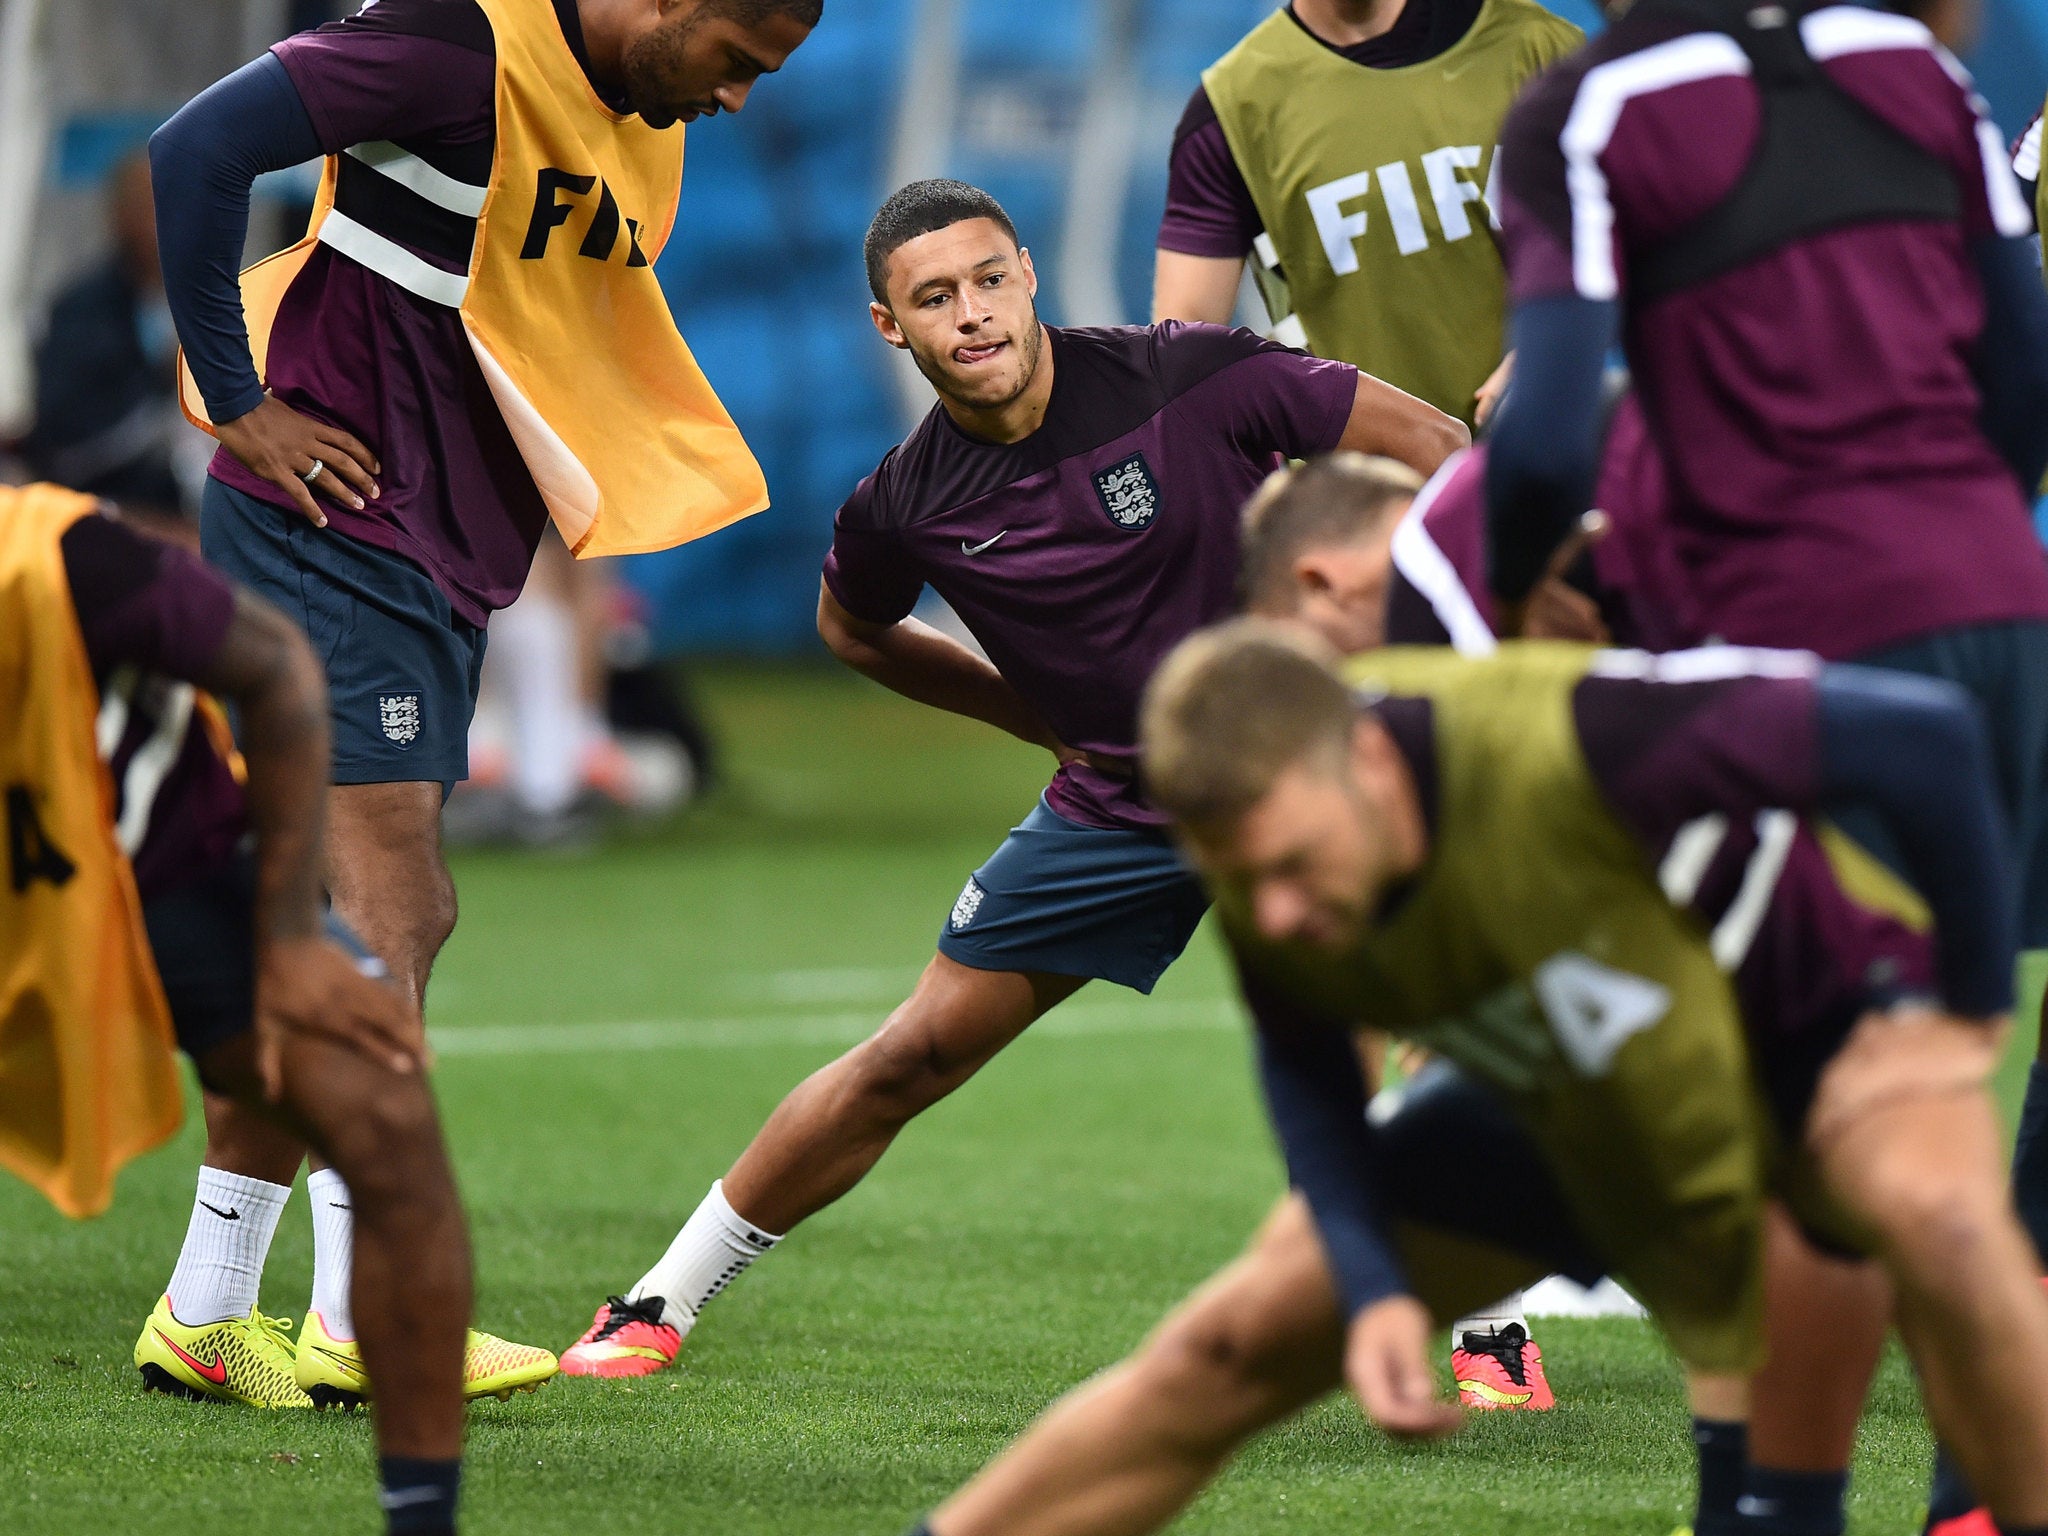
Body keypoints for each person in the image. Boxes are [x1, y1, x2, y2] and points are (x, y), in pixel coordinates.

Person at [555, 177, 1467, 1377]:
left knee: (1430, 1024)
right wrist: (1035, 720)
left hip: (1307, 776)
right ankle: (656, 1304)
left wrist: (1402, 676)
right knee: (910, 1057)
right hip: (1121, 806)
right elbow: (854, 630)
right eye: (935, 298)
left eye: (989, 280)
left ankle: (1487, 1331)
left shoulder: (1182, 374)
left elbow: (1438, 451)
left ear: (1029, 273)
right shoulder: (903, 505)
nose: (972, 314)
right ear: (891, 326)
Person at [138, 0, 818, 1404]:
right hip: (330, 529)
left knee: (324, 923)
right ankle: (370, 1310)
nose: (740, 96)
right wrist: (238, 395)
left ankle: (208, 1315)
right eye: (740, 60)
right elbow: (195, 150)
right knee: (390, 908)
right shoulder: (452, 42)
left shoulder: (630, 116)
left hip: (428, 552)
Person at [1485, 1, 2048, 1526]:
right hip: (1999, 610)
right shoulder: (1918, 72)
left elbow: (1539, 435)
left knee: (1825, 1122)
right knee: (1938, 1090)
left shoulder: (1586, 114)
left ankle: (1786, 1512)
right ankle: (1967, 1503)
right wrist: (1945, 533)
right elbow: (2024, 368)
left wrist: (1524, 595)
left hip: (1804, 652)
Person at [0, 484, 471, 1535]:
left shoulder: (63, 554)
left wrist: (293, 942)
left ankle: (419, 1514)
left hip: (160, 865)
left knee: (386, 1119)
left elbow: (278, 668)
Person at [1154, 0, 1580, 427]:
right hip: (1355, 485)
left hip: (1542, 457)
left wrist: (1552, 349)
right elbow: (1183, 372)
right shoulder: (1230, 111)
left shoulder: (1541, 48)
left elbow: (1635, 249)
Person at [24, 154, 198, 540]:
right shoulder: (82, 311)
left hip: (183, 498)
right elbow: (70, 447)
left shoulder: (198, 294)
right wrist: (165, 379)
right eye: (154, 206)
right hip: (103, 509)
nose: (173, 220)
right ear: (120, 216)